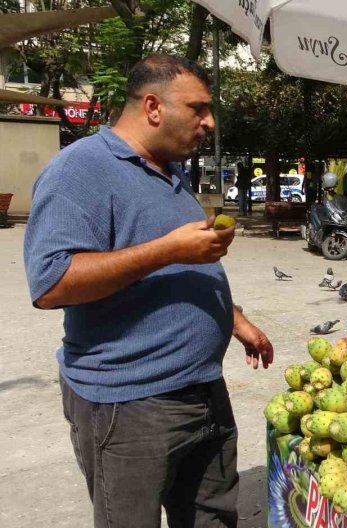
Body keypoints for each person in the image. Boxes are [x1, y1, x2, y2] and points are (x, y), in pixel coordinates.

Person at [23, 54, 274, 528]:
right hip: (130, 403)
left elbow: (177, 270)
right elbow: (51, 283)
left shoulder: (169, 170)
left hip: (203, 391)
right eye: (198, 108)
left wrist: (234, 319)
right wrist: (168, 250)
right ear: (154, 107)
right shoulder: (79, 170)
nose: (209, 121)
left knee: (213, 518)